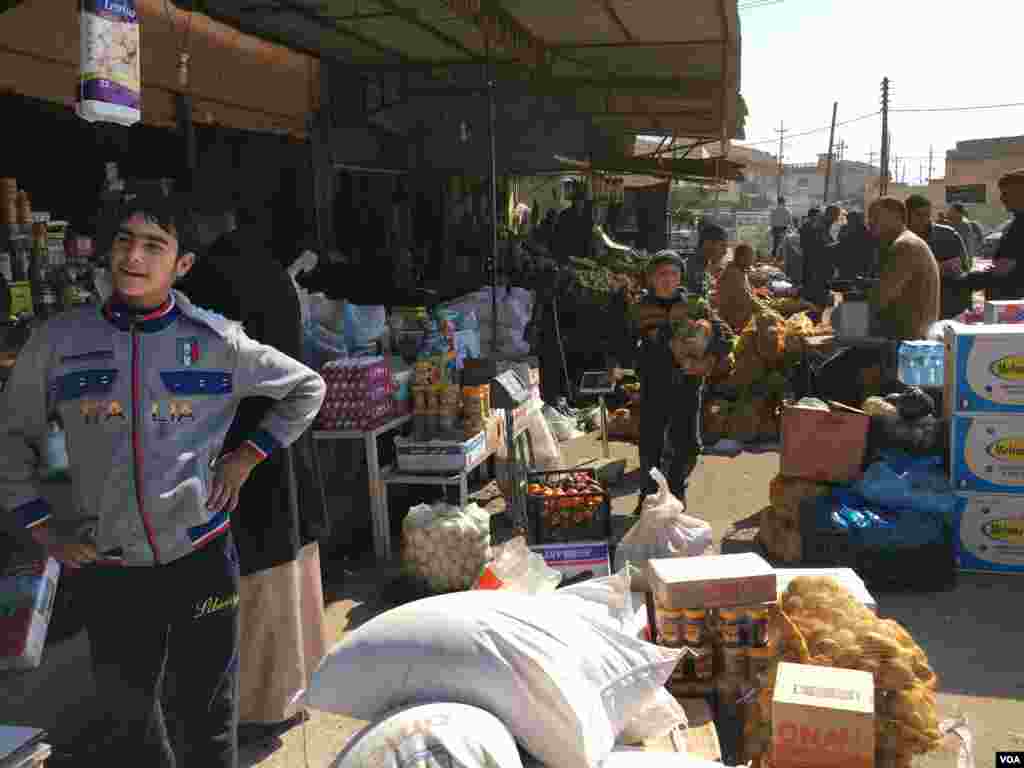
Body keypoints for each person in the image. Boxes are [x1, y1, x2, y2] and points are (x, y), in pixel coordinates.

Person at [0, 190, 326, 766]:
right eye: (125, 240)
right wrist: (43, 527)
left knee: (208, 715)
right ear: (108, 251)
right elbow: (11, 436)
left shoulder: (216, 340)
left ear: (182, 265)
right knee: (130, 723)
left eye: (155, 245)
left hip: (200, 559)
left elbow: (307, 388)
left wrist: (247, 455)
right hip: (110, 569)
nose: (135, 256)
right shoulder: (59, 342)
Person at [177, 205, 330, 746]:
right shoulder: (265, 269)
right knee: (286, 558)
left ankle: (257, 704)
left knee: (253, 571)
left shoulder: (210, 279)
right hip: (276, 440)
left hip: (240, 447)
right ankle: (293, 689)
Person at [609, 251, 731, 510]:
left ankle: (676, 496)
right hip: (655, 384)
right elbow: (622, 346)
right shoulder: (640, 309)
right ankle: (649, 500)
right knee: (651, 445)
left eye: (673, 274)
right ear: (652, 278)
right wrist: (641, 354)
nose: (668, 279)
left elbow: (725, 336)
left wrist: (707, 361)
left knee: (687, 446)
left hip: (688, 386)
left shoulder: (696, 305)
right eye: (662, 274)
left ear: (680, 277)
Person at [869, 196, 941, 340]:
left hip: (909, 342)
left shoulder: (904, 245)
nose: (870, 222)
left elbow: (881, 297)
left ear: (896, 217)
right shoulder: (905, 242)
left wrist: (846, 319)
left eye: (875, 217)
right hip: (911, 337)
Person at [960, 169, 1024, 300]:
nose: (1002, 199)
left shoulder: (1020, 224)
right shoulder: (1017, 221)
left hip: (1012, 305)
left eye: (1007, 193)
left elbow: (1004, 268)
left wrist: (962, 281)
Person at [905, 193, 970, 318]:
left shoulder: (947, 235)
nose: (924, 219)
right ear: (906, 215)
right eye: (918, 215)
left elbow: (962, 267)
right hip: (911, 304)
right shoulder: (900, 237)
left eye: (927, 215)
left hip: (945, 302)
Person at [802, 205, 841, 306]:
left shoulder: (822, 222)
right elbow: (821, 244)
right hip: (816, 261)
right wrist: (837, 245)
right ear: (830, 214)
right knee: (816, 287)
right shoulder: (820, 223)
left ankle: (815, 305)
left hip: (814, 260)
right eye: (835, 216)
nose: (836, 219)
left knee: (816, 287)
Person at [717, 242, 757, 333]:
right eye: (751, 257)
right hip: (733, 324)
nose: (753, 260)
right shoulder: (733, 274)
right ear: (742, 258)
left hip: (738, 320)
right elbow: (745, 300)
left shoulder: (739, 271)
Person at [688, 223, 728, 298]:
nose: (725, 251)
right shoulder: (690, 269)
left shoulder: (709, 265)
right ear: (707, 244)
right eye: (722, 245)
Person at [833, 211, 877, 280]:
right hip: (846, 261)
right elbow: (839, 241)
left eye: (852, 219)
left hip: (859, 261)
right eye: (849, 219)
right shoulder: (845, 228)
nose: (850, 221)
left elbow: (869, 248)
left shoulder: (863, 230)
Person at [946, 202, 984, 266]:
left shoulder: (964, 225)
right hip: (955, 260)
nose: (948, 212)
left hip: (962, 261)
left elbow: (967, 245)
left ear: (958, 213)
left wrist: (967, 261)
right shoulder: (953, 223)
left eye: (951, 210)